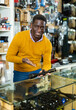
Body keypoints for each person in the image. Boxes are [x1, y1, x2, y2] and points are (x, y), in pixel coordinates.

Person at [6, 14, 52, 82]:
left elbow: (47, 63)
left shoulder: (47, 43)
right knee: (19, 92)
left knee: (35, 93)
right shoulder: (19, 36)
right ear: (31, 25)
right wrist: (23, 60)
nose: (39, 30)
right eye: (36, 26)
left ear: (45, 28)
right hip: (20, 74)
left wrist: (44, 70)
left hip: (36, 73)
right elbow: (9, 57)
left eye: (42, 27)